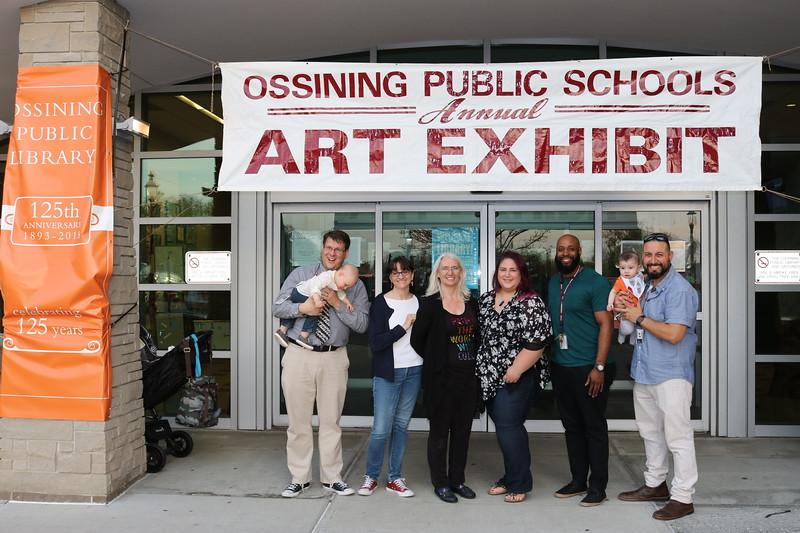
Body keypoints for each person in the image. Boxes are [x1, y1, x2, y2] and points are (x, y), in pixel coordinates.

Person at [272, 230, 369, 498]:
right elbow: (278, 307)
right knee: (298, 422)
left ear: (346, 253)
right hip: (298, 354)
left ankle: (332, 477)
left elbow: (361, 324)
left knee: (331, 421)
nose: (332, 253)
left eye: (338, 249)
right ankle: (299, 477)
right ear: (322, 248)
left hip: (334, 357)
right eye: (328, 247)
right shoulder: (302, 275)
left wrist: (337, 303)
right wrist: (302, 310)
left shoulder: (355, 285)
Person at [615, 232, 699, 521]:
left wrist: (638, 317)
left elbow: (675, 334)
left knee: (678, 436)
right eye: (648, 255)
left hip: (671, 374)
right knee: (650, 433)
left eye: (658, 254)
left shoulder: (679, 290)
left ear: (669, 257)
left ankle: (683, 497)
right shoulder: (649, 287)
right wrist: (625, 313)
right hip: (646, 371)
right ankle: (655, 484)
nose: (653, 260)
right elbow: (638, 322)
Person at [476, 251, 552, 504]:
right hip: (488, 376)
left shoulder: (530, 302)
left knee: (509, 428)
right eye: (503, 270)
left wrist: (516, 370)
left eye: (513, 270)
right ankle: (510, 476)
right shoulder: (486, 300)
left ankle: (520, 482)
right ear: (496, 273)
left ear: (521, 275)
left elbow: (538, 342)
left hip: (516, 377)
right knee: (504, 429)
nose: (507, 275)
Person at [546, 234, 615, 507]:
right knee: (571, 426)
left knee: (593, 427)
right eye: (561, 249)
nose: (565, 253)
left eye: (570, 249)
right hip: (561, 365)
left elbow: (607, 325)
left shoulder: (595, 282)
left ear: (579, 251)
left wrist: (599, 366)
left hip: (589, 367)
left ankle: (598, 486)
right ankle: (578, 480)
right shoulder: (553, 282)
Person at [410, 253, 479, 504]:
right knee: (439, 433)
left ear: (461, 272)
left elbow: (478, 337)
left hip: (468, 380)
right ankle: (441, 482)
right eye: (445, 268)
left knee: (462, 433)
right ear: (437, 274)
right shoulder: (428, 304)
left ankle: (458, 480)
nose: (450, 272)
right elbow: (417, 340)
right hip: (441, 381)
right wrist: (436, 359)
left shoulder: (473, 302)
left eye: (455, 268)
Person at [358, 256, 422, 498]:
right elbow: (376, 343)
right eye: (395, 272)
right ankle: (371, 476)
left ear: (413, 274)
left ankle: (395, 478)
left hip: (415, 370)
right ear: (389, 277)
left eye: (405, 271)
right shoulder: (380, 304)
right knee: (381, 429)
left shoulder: (420, 303)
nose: (401, 275)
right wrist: (402, 327)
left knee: (401, 426)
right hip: (388, 373)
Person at [274, 263, 360, 350]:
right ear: (340, 274)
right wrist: (317, 301)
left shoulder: (337, 281)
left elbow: (341, 294)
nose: (345, 288)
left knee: (313, 311)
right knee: (316, 311)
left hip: (305, 293)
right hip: (301, 293)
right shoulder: (326, 276)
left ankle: (282, 331)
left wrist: (347, 302)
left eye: (347, 287)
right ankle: (302, 336)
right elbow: (314, 288)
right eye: (345, 284)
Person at [607, 251, 646, 344]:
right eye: (622, 268)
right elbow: (613, 292)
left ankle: (632, 343)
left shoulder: (640, 278)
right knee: (627, 329)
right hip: (626, 311)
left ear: (638, 268)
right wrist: (610, 303)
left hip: (639, 310)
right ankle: (621, 333)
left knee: (637, 328)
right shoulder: (621, 281)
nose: (626, 271)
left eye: (630, 268)